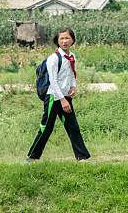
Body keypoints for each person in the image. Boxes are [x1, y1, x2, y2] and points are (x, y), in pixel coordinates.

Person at [26, 28, 91, 162]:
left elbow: (72, 74)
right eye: (61, 39)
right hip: (53, 97)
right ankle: (32, 157)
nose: (64, 41)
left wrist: (73, 86)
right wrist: (62, 100)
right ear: (57, 41)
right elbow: (53, 81)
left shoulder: (72, 56)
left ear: (72, 40)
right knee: (46, 128)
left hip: (65, 97)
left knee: (73, 127)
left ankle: (82, 157)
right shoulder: (54, 58)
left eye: (67, 38)